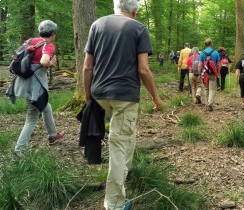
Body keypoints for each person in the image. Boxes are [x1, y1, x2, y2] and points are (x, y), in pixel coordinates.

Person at [83, 0, 162, 209]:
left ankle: (125, 168)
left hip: (99, 93)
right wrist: (155, 97)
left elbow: (87, 67)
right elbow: (144, 70)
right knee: (118, 143)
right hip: (124, 96)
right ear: (134, 11)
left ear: (116, 8)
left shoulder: (97, 25)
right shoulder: (138, 28)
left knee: (127, 132)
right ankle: (115, 203)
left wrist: (88, 97)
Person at [6, 20, 64, 156]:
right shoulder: (48, 46)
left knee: (46, 108)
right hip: (34, 86)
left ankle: (52, 135)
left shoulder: (30, 41)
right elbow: (44, 62)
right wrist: (52, 63)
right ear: (53, 34)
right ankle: (19, 150)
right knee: (32, 118)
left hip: (23, 83)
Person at [198, 38, 220, 111]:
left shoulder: (202, 53)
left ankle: (207, 102)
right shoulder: (216, 52)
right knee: (212, 89)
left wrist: (199, 74)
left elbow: (200, 64)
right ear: (211, 44)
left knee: (206, 88)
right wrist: (218, 73)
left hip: (205, 74)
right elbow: (218, 64)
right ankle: (210, 104)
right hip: (213, 73)